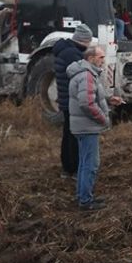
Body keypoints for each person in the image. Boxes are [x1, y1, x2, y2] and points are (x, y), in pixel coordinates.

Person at [68, 44, 122, 210]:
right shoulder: (87, 75)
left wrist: (107, 99)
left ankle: (82, 196)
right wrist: (103, 119)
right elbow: (87, 103)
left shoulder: (85, 74)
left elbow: (90, 96)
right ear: (91, 59)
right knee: (91, 164)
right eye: (101, 57)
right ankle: (86, 201)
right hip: (87, 127)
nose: (103, 60)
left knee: (84, 162)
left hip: (82, 126)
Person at [53, 24, 91, 180]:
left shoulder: (65, 51)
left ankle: (66, 168)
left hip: (65, 98)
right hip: (72, 101)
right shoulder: (73, 55)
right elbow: (80, 78)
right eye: (88, 41)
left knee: (68, 133)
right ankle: (74, 169)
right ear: (83, 40)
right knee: (74, 136)